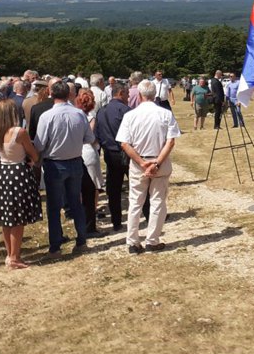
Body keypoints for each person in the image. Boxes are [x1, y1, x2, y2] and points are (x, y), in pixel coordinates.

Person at [116, 79, 181, 253]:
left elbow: (124, 143)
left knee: (135, 202)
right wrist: (157, 163)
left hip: (140, 163)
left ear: (139, 94)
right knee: (157, 202)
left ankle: (133, 241)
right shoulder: (165, 114)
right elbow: (171, 141)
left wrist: (142, 162)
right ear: (154, 94)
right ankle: (152, 240)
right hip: (158, 161)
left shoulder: (130, 115)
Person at [34, 81, 94, 256]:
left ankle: (55, 246)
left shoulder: (47, 116)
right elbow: (88, 137)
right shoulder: (79, 114)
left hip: (55, 163)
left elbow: (39, 144)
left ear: (51, 94)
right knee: (76, 202)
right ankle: (81, 240)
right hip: (74, 161)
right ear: (69, 94)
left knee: (54, 206)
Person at [0, 99, 43, 269]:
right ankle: (15, 257)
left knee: (7, 218)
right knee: (18, 219)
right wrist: (31, 158)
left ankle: (9, 254)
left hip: (4, 173)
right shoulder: (19, 132)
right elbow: (34, 155)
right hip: (18, 173)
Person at [95, 83, 131, 231]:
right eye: (127, 94)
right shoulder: (126, 111)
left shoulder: (101, 111)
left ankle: (116, 221)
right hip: (126, 153)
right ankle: (148, 215)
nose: (129, 97)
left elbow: (97, 134)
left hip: (109, 154)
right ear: (121, 93)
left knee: (113, 190)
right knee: (138, 186)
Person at [75, 88, 103, 237]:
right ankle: (91, 217)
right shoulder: (91, 116)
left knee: (81, 189)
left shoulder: (75, 114)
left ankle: (82, 217)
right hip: (88, 151)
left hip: (77, 151)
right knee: (93, 188)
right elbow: (90, 136)